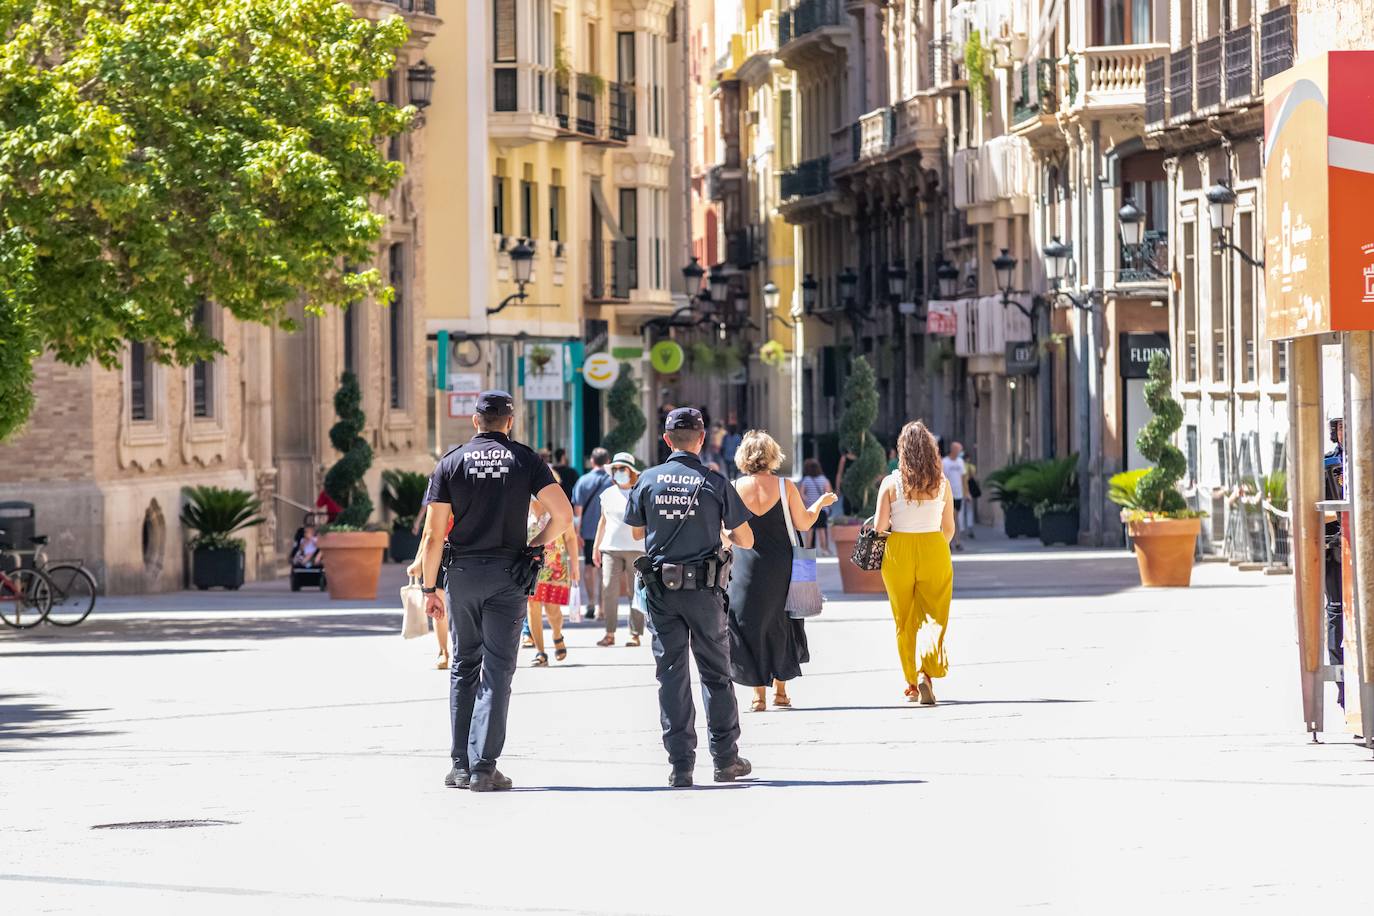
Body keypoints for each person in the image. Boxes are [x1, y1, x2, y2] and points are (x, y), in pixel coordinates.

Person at [416, 390, 573, 793]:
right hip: (508, 573)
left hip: (463, 573)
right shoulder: (526, 460)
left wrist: (429, 587)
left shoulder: (450, 463)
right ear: (510, 421)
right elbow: (564, 514)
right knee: (498, 669)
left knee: (464, 665)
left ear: (475, 422)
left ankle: (459, 765)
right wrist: (536, 544)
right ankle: (485, 766)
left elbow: (434, 535)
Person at [626, 407, 756, 788]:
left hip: (661, 593)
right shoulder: (715, 483)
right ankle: (725, 760)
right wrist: (720, 534)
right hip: (704, 591)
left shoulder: (647, 480)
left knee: (671, 677)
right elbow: (746, 539)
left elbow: (637, 535)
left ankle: (681, 765)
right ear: (701, 439)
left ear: (666, 440)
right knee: (716, 675)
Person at [729, 431, 837, 711]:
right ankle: (780, 691)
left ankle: (757, 695)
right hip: (782, 565)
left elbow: (726, 532)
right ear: (772, 455)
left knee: (747, 624)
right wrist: (820, 504)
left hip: (745, 564)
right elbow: (803, 523)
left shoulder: (734, 487)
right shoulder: (784, 486)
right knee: (782, 622)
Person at [875, 420, 956, 706]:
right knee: (932, 617)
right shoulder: (942, 484)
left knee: (904, 618)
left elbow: (880, 526)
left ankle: (911, 682)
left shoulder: (890, 483)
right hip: (934, 547)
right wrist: (933, 548)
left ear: (902, 450)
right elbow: (949, 529)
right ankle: (926, 674)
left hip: (899, 551)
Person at [592, 452, 646, 646]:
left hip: (637, 549)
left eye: (621, 469)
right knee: (608, 589)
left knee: (636, 592)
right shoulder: (607, 494)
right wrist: (596, 547)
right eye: (615, 469)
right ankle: (609, 633)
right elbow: (603, 521)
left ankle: (635, 634)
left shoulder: (640, 492)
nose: (618, 472)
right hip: (610, 548)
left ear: (631, 471)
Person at [526, 501, 579, 666]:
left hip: (555, 567)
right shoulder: (522, 510)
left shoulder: (556, 509)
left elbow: (570, 537)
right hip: (529, 568)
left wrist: (575, 566)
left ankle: (557, 634)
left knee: (552, 610)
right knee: (532, 607)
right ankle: (540, 652)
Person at [571, 448, 614, 620]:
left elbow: (577, 512)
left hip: (588, 532)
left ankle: (590, 603)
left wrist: (576, 533)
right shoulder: (613, 481)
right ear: (608, 461)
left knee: (589, 567)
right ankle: (602, 608)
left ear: (592, 462)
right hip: (610, 531)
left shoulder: (583, 481)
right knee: (605, 569)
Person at [1324, 417, 1346, 707]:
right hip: (1337, 552)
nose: (1345, 430)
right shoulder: (1327, 464)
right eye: (1340, 426)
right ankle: (1344, 690)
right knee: (1336, 615)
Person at [798, 459, 835, 555]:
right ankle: (824, 549)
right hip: (822, 509)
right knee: (821, 529)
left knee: (809, 530)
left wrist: (808, 501)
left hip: (810, 509)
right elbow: (828, 493)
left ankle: (807, 550)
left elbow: (801, 494)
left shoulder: (806, 480)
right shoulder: (824, 479)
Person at [942, 441, 970, 552]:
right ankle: (951, 542)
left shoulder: (960, 462)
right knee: (952, 517)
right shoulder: (945, 462)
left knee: (955, 518)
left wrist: (966, 493)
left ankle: (956, 541)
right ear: (953, 449)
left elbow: (964, 478)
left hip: (958, 494)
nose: (960, 452)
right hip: (948, 494)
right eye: (958, 450)